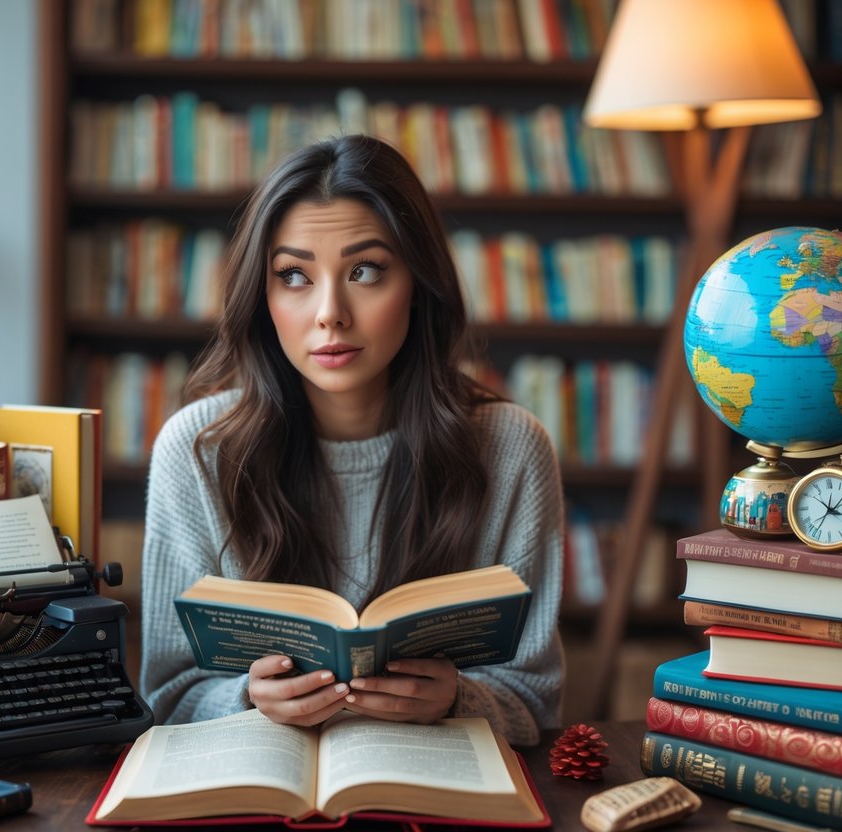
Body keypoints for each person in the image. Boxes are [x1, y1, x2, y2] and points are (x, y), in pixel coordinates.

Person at [139, 134, 564, 744]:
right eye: (294, 276)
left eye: (364, 271)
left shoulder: (510, 448)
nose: (329, 312)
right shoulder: (199, 452)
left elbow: (537, 701)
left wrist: (457, 698)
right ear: (261, 297)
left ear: (418, 284)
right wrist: (249, 698)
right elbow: (166, 698)